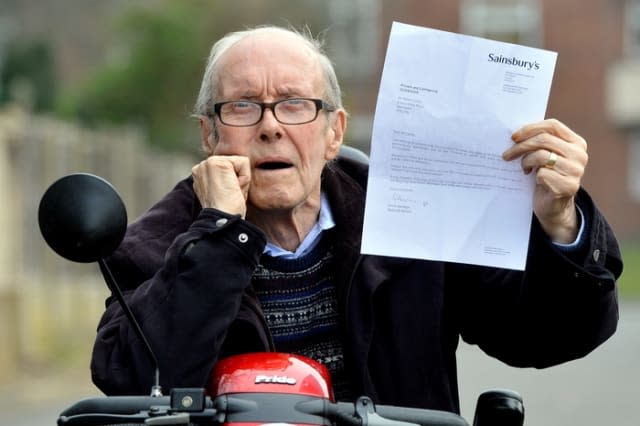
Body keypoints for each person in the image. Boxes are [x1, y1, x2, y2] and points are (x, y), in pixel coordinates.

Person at [90, 25, 622, 414]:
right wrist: (218, 238)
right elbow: (132, 381)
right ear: (209, 135)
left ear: (334, 132)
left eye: (295, 104)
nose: (271, 127)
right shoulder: (158, 242)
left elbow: (547, 337)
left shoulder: (411, 217)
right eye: (244, 106)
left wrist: (560, 225)